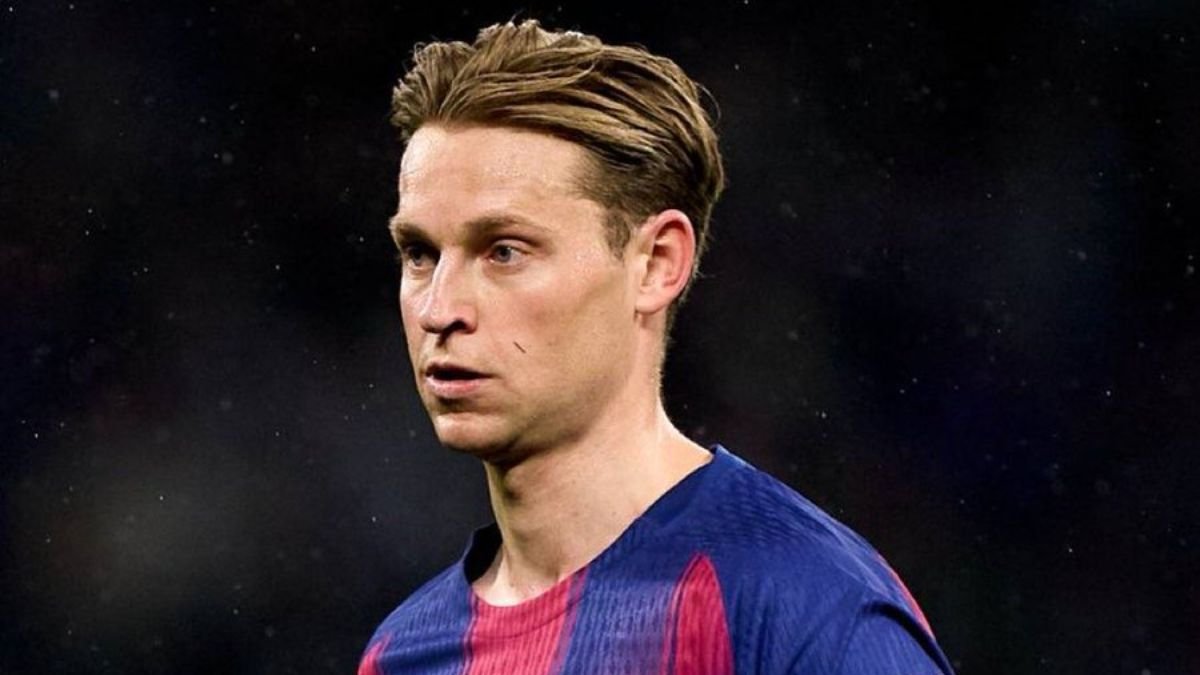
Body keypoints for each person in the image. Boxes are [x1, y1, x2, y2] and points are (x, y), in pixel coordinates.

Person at [360, 19, 954, 675]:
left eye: (504, 251)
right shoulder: (402, 652)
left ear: (655, 264)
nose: (440, 309)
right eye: (420, 253)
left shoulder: (804, 610)